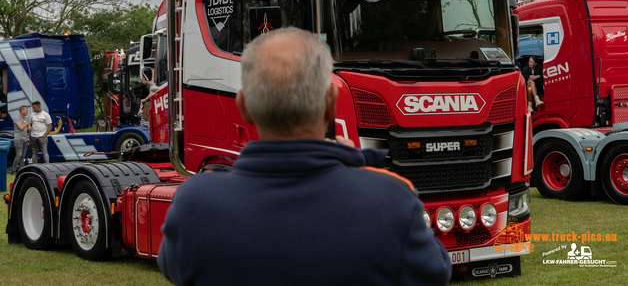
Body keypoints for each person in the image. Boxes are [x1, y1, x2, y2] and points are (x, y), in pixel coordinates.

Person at [158, 27, 452, 286]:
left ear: (244, 106)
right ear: (330, 103)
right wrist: (357, 167)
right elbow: (436, 272)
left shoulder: (195, 206)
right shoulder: (391, 201)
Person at [11, 105, 30, 174]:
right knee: (18, 155)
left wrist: (29, 126)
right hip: (18, 139)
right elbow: (21, 127)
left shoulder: (27, 118)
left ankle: (21, 170)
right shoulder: (17, 118)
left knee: (22, 156)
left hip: (25, 139)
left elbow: (29, 126)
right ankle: (13, 170)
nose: (27, 112)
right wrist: (26, 124)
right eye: (26, 110)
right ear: (22, 111)